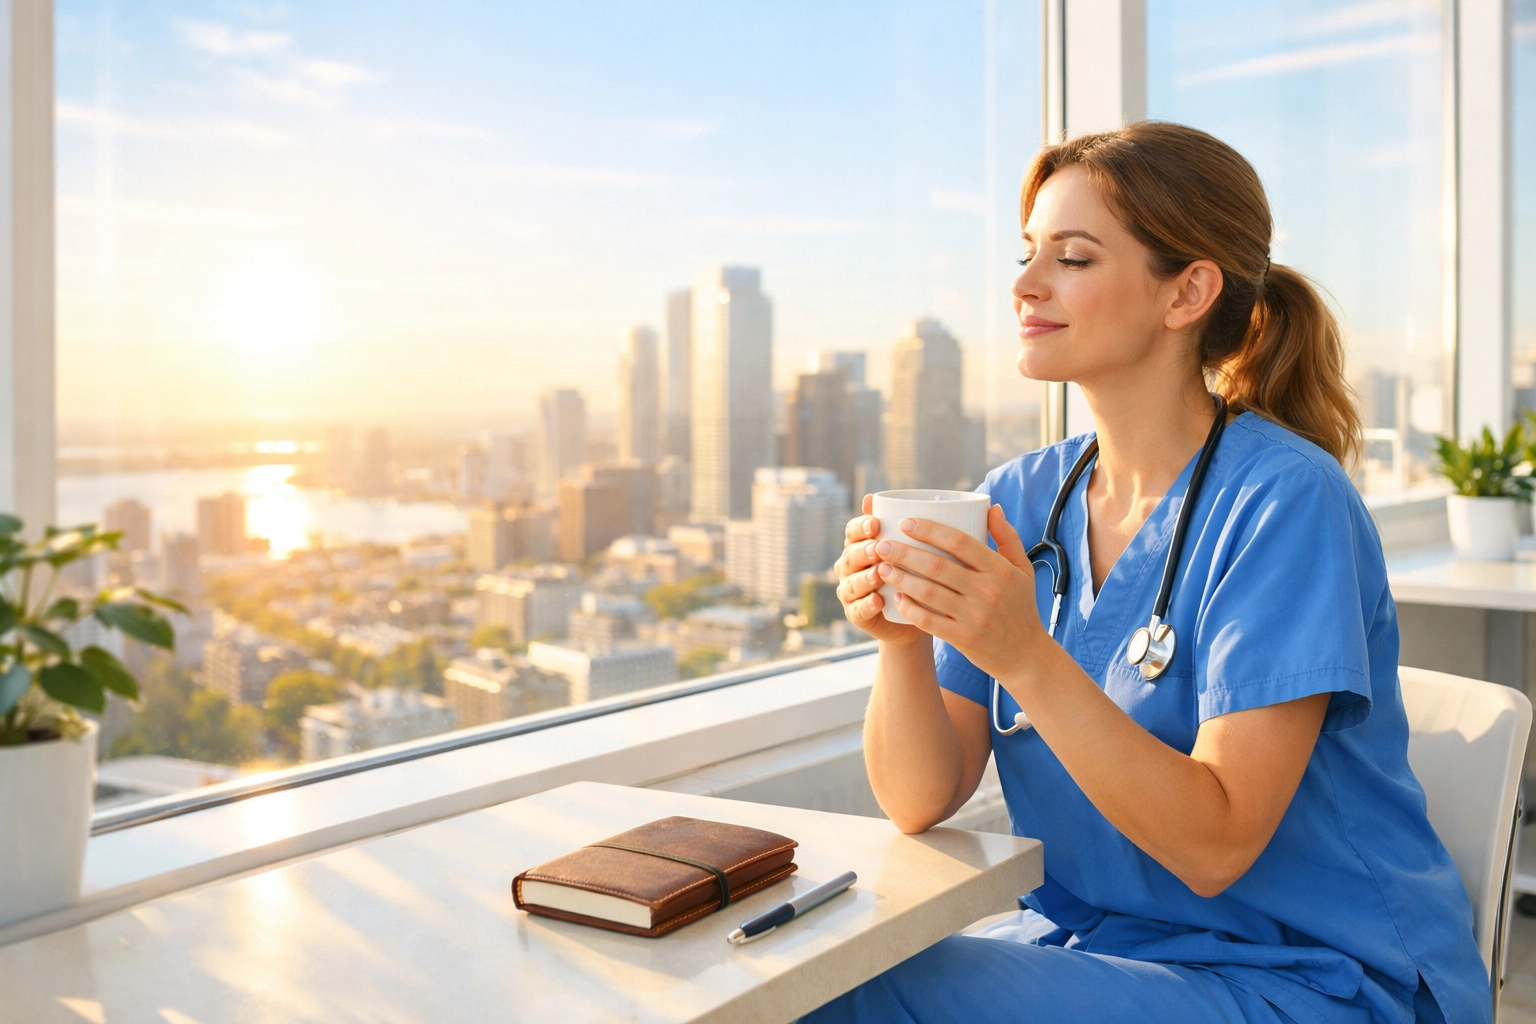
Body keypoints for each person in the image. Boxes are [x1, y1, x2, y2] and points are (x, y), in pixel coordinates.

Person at [806, 122, 1488, 1024]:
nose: (1024, 285)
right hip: (1110, 954)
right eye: (1028, 254)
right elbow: (920, 798)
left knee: (862, 996)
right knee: (817, 968)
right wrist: (900, 642)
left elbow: (1215, 847)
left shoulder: (1285, 504)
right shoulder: (1019, 499)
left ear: (1188, 292)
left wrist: (1022, 652)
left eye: (1073, 258)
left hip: (1308, 976)